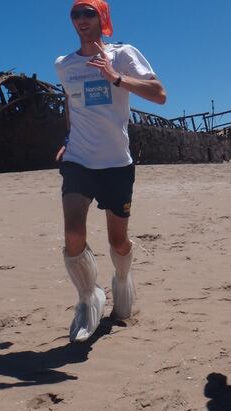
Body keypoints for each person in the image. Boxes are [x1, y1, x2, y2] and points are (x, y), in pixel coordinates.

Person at [54, 0, 166, 343]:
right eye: (75, 14)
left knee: (118, 240)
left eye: (88, 13)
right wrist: (68, 138)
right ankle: (88, 299)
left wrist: (115, 77)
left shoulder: (122, 54)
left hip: (117, 163)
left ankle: (121, 282)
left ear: (102, 18)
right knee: (73, 234)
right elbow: (72, 105)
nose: (81, 19)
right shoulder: (64, 65)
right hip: (78, 160)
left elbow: (159, 94)